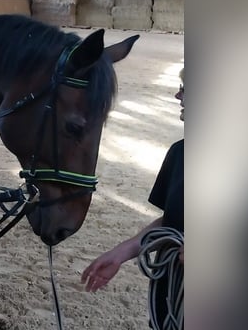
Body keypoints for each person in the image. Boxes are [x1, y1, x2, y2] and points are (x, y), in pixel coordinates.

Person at [81, 67, 184, 329]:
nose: (178, 95)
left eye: (187, 88)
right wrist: (121, 252)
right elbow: (173, 222)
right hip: (171, 296)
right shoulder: (180, 153)